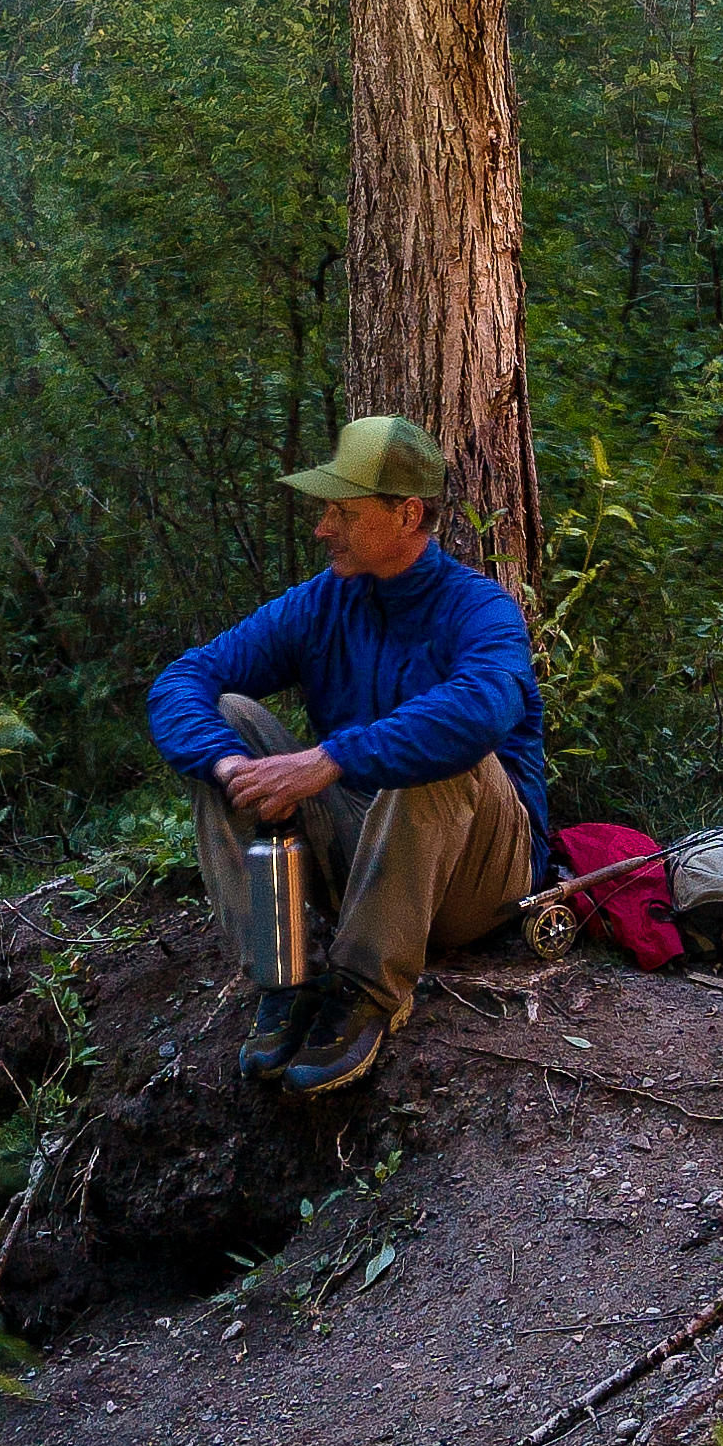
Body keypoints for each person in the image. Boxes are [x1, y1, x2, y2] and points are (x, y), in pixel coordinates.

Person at [144, 414, 552, 1099]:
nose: (321, 528)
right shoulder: (322, 603)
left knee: (444, 744)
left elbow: (483, 708)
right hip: (366, 858)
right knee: (226, 718)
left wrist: (328, 759)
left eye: (342, 511)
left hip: (477, 880)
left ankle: (367, 992)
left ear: (408, 514)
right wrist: (226, 766)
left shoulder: (479, 609)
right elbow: (182, 681)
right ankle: (287, 976)